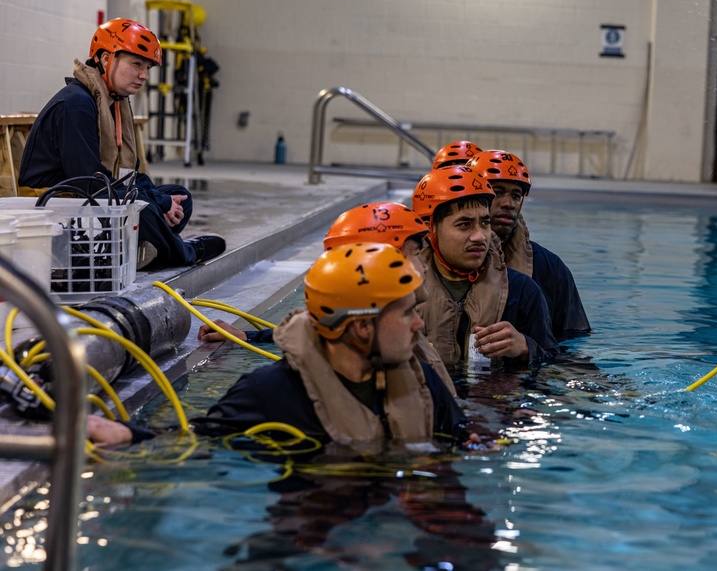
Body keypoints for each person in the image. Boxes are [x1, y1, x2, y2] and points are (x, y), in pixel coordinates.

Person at [88, 243, 478, 450]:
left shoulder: (419, 379)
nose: (420, 324)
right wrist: (129, 435)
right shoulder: (273, 393)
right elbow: (197, 438)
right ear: (360, 327)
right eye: (407, 313)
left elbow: (464, 439)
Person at [18, 18, 225, 268]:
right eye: (136, 64)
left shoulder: (115, 103)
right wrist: (154, 203)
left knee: (179, 197)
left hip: (90, 196)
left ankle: (144, 251)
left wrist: (163, 200)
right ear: (106, 59)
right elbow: (89, 182)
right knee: (144, 210)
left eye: (147, 67)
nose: (144, 75)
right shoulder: (76, 105)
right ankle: (187, 252)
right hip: (58, 206)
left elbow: (129, 175)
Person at [199, 202, 458, 396]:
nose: (424, 266)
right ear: (373, 264)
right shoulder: (272, 390)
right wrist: (249, 337)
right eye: (414, 253)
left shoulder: (421, 373)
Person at [411, 165, 558, 368]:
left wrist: (526, 348)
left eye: (485, 223)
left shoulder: (523, 291)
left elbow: (556, 364)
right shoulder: (402, 293)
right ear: (430, 229)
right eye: (464, 224)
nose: (480, 236)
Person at [467, 149, 591, 340]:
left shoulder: (551, 269)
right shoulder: (443, 263)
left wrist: (528, 350)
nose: (509, 203)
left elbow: (574, 341)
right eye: (497, 192)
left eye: (516, 195)